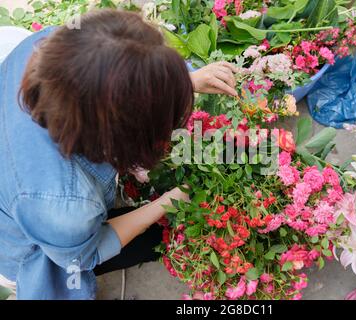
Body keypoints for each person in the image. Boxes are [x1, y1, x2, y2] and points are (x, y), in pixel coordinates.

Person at [0, 9, 237, 299]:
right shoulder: (62, 207)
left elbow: (112, 79)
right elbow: (83, 255)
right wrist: (169, 201)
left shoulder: (53, 45)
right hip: (30, 244)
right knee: (158, 234)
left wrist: (183, 81)